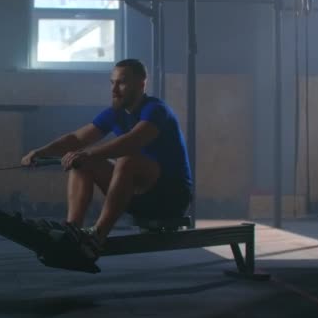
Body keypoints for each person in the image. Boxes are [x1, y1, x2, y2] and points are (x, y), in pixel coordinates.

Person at [21, 59, 193, 257]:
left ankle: (97, 237)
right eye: (112, 82)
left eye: (122, 82)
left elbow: (133, 140)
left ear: (141, 84)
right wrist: (41, 152)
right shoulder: (115, 114)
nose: (114, 89)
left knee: (125, 159)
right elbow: (76, 138)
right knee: (82, 164)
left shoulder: (156, 110)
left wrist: (89, 153)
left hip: (171, 197)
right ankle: (73, 230)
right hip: (138, 195)